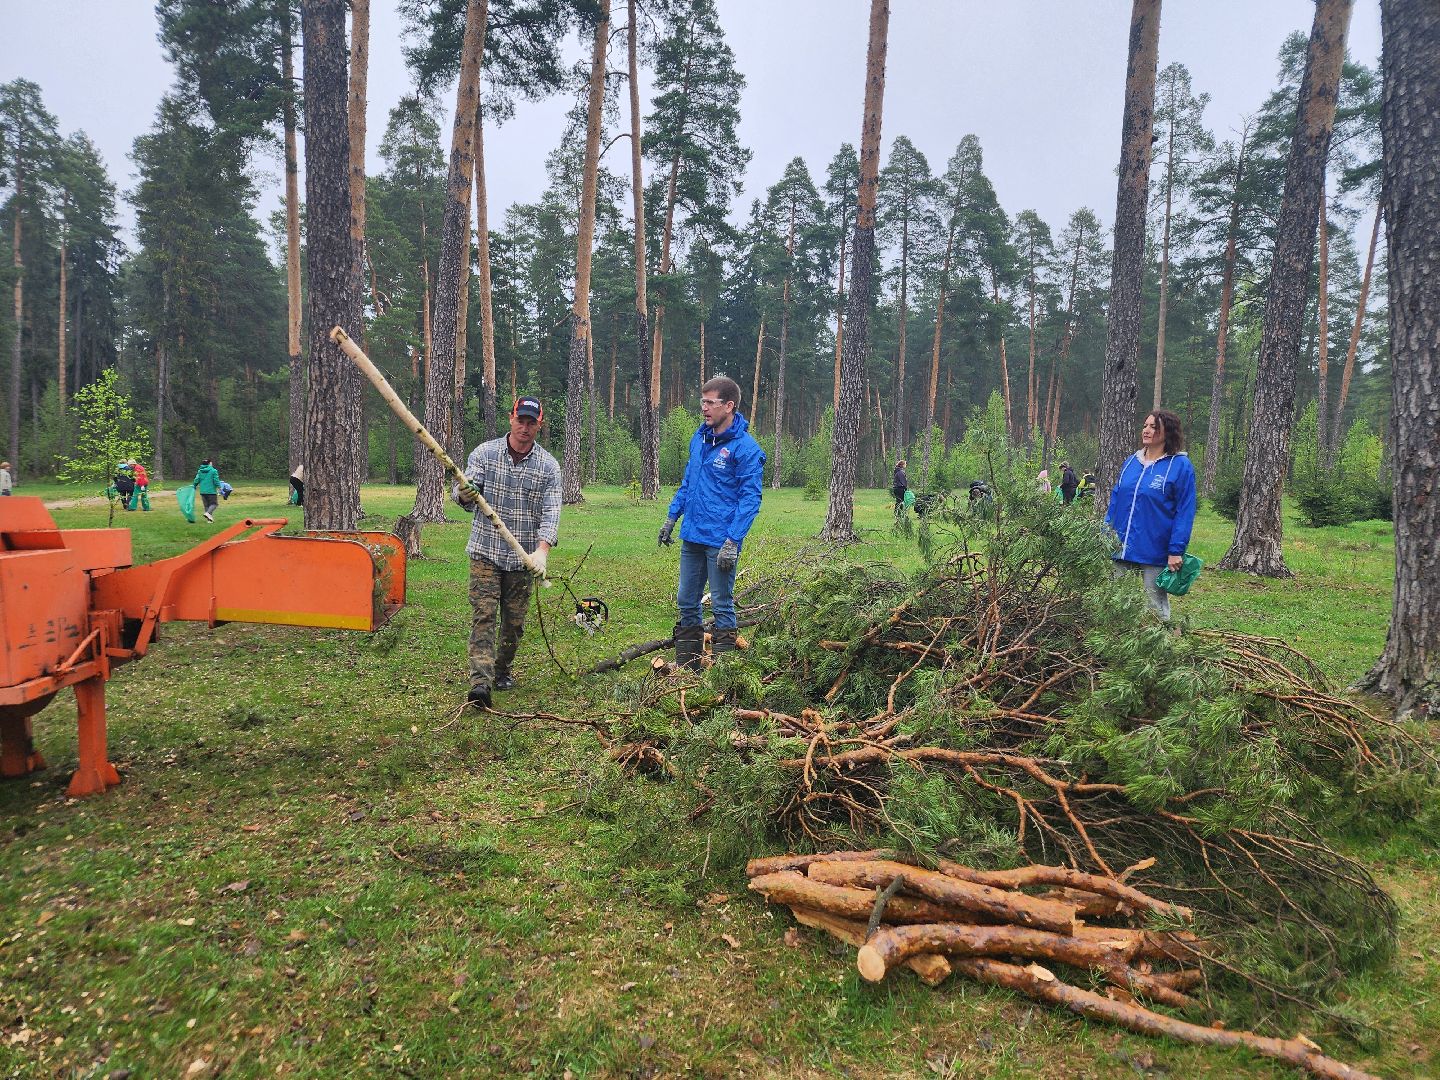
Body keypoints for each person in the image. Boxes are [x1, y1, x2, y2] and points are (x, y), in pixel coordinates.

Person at [454, 396, 561, 709]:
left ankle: (501, 669)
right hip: (485, 551)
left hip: (522, 559)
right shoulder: (485, 454)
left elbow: (551, 511)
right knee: (484, 615)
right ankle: (480, 683)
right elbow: (464, 495)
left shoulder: (549, 466)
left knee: (513, 623)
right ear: (510, 418)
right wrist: (464, 491)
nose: (524, 428)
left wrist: (542, 552)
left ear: (539, 425)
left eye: (531, 422)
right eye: (520, 420)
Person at [658, 376, 765, 669]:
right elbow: (688, 482)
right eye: (702, 402)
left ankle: (724, 674)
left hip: (720, 541)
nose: (704, 408)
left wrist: (733, 540)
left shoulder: (746, 449)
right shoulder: (700, 438)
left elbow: (750, 499)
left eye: (710, 402)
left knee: (721, 604)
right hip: (692, 535)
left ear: (729, 406)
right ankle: (689, 668)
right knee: (686, 601)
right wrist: (671, 517)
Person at [1104, 409, 1198, 622]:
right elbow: (1116, 500)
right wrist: (1105, 534)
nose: (1146, 430)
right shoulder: (1131, 462)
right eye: (1145, 425)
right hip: (1120, 544)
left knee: (1153, 604)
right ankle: (1115, 642)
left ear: (1169, 432)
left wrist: (1176, 550)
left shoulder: (1180, 466)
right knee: (1113, 598)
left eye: (1154, 427)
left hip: (1155, 547)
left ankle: (1158, 647)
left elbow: (1185, 510)